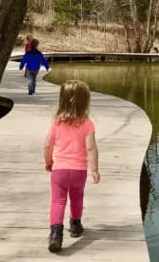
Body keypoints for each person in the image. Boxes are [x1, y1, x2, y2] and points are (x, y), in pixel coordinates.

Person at [44, 80, 100, 253]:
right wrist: (94, 169)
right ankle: (75, 225)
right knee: (76, 198)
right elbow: (91, 147)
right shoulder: (87, 123)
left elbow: (47, 145)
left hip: (59, 170)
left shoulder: (56, 123)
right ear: (85, 102)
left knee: (58, 201)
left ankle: (55, 234)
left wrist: (48, 161)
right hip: (79, 171)